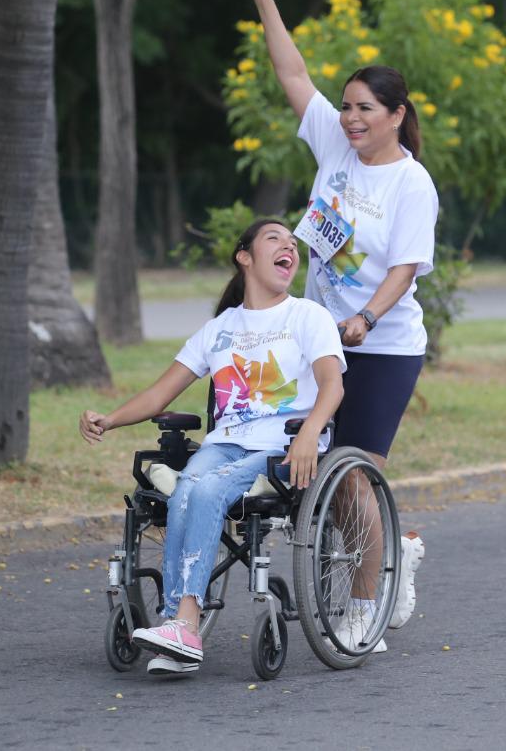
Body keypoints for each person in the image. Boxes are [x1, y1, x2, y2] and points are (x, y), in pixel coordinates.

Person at [248, 0, 432, 638]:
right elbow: (292, 73)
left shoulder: (411, 184)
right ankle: (388, 553)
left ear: (395, 115)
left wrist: (365, 316)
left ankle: (365, 608)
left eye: (365, 109)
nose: (351, 118)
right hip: (319, 338)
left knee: (353, 475)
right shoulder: (334, 145)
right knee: (301, 462)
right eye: (347, 106)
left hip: (381, 345)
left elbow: (405, 269)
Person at [79, 219, 345, 676]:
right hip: (226, 444)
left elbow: (332, 386)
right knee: (187, 488)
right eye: (275, 239)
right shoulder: (220, 329)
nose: (289, 247)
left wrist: (310, 432)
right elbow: (159, 395)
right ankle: (180, 632)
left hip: (281, 447)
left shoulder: (308, 317)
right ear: (245, 257)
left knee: (201, 490)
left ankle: (183, 623)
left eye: (293, 243)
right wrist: (111, 419)